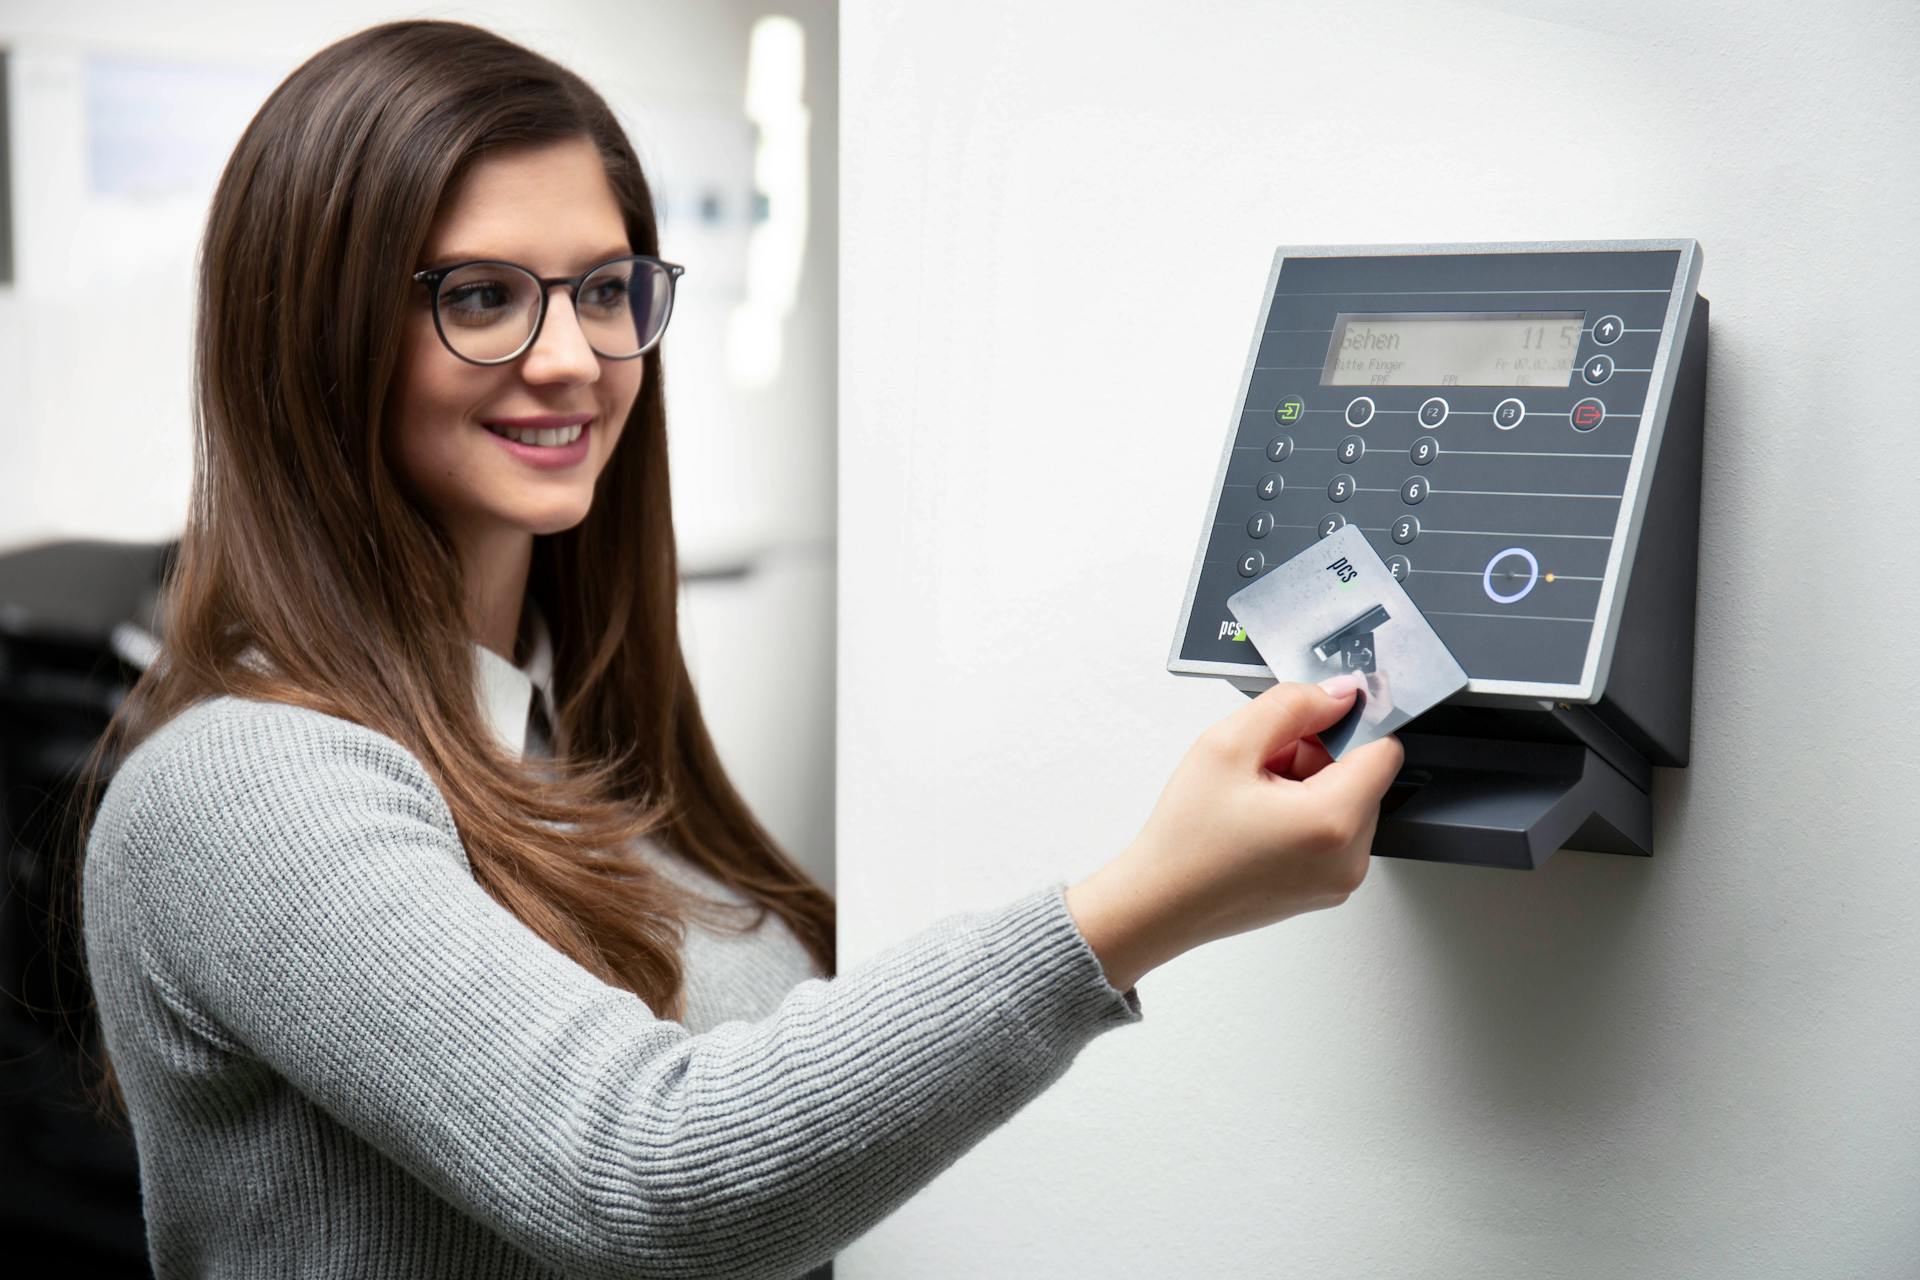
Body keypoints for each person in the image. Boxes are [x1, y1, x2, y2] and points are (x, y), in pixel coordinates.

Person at [65, 19, 1403, 1280]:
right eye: (480, 296)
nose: (572, 357)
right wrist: (1140, 907)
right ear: (313, 334)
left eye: (605, 290)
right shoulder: (239, 786)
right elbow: (649, 1178)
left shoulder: (580, 750)